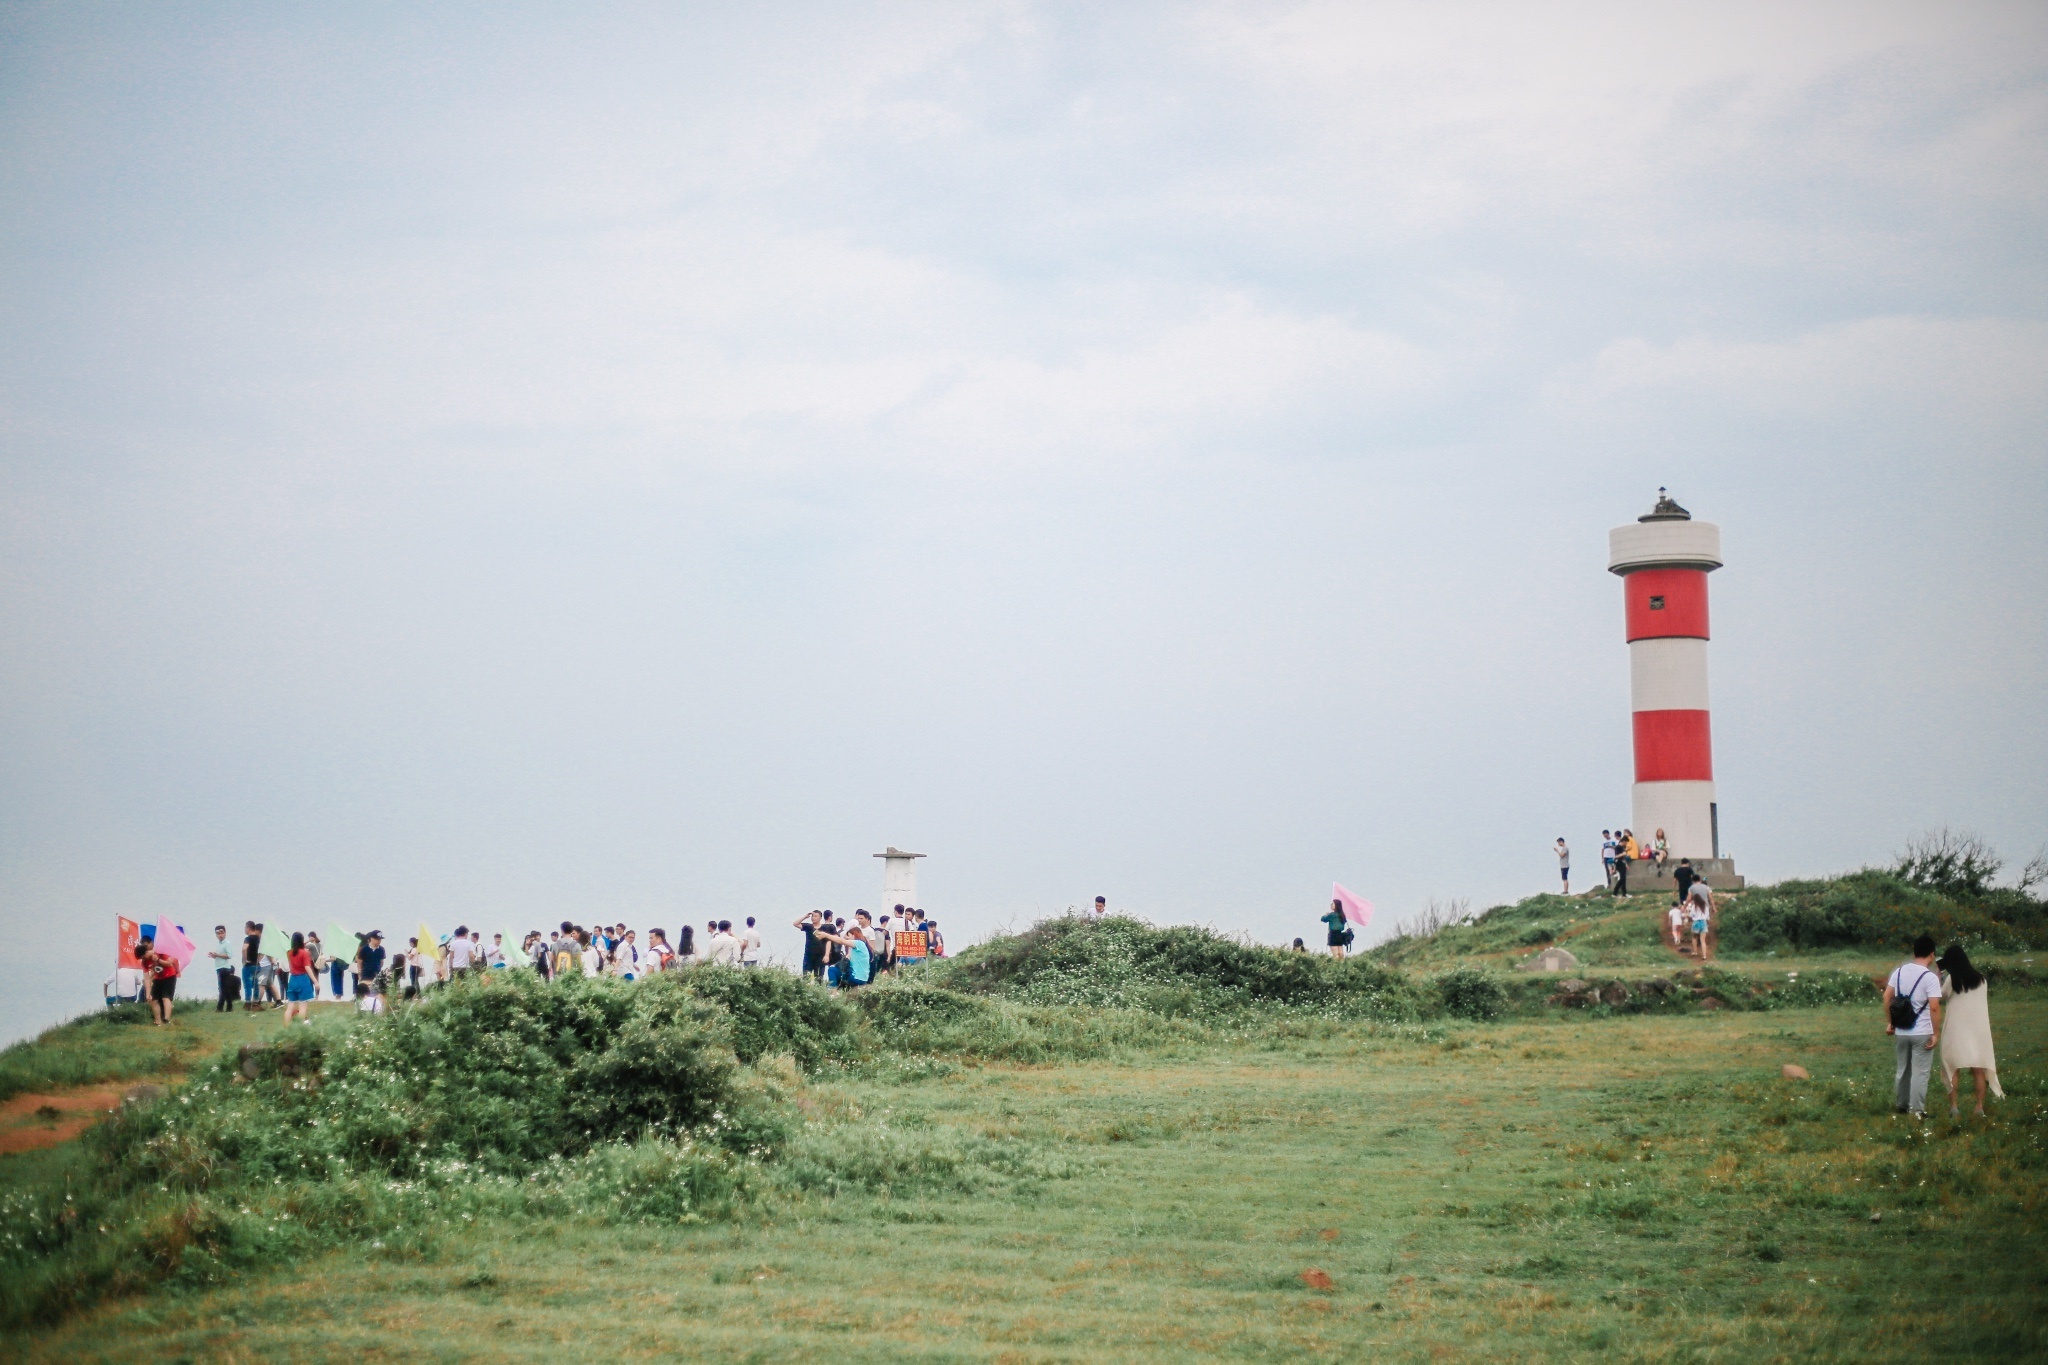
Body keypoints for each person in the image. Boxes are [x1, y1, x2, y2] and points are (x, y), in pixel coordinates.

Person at [1936, 945, 2001, 1119]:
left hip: (1956, 1030)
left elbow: (1940, 997)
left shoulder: (1952, 979)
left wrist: (1937, 977)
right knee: (1978, 1070)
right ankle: (1979, 1107)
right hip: (1978, 1031)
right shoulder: (1981, 980)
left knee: (1952, 1068)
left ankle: (1954, 1107)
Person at [1885, 935, 1943, 1118]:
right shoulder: (1930, 978)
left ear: (1914, 952)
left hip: (1901, 1030)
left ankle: (1901, 1105)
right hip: (1922, 1031)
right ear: (1932, 955)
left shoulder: (1900, 972)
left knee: (1903, 1069)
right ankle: (1916, 1110)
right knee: (1920, 1072)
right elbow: (1934, 1007)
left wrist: (1891, 1022)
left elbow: (1887, 997)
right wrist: (1936, 1033)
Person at [144, 940, 179, 1025]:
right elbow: (147, 977)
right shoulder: (145, 960)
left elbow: (170, 963)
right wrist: (148, 993)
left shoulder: (160, 951)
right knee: (154, 999)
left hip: (170, 975)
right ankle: (158, 1021)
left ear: (151, 943)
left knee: (166, 998)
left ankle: (166, 1020)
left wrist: (158, 960)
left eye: (147, 945)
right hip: (158, 978)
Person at [283, 932, 316, 1024]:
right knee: (302, 1007)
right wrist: (315, 981)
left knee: (290, 1007)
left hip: (292, 979)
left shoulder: (289, 953)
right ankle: (300, 1028)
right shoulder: (304, 953)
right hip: (302, 980)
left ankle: (286, 1028)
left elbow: (296, 949)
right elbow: (307, 968)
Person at [209, 925, 239, 1012]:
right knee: (225, 988)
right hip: (219, 967)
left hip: (224, 968)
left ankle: (220, 1007)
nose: (220, 935)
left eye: (221, 933)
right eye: (218, 933)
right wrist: (214, 955)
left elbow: (229, 956)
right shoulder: (218, 944)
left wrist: (217, 955)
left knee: (222, 989)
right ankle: (229, 1007)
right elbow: (219, 956)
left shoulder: (227, 943)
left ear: (225, 933)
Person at [355, 931, 387, 1002]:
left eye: (380, 939)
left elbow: (382, 962)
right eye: (377, 939)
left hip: (377, 974)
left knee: (375, 992)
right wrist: (359, 972)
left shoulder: (381, 949)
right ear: (372, 938)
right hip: (365, 973)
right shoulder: (364, 949)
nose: (379, 941)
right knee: (365, 992)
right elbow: (359, 962)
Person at [795, 912, 827, 981]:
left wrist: (827, 955)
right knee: (806, 977)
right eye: (812, 916)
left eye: (816, 916)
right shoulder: (808, 927)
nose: (813, 918)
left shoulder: (825, 928)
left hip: (820, 957)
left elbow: (828, 942)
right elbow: (795, 923)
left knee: (819, 978)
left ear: (820, 918)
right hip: (808, 956)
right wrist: (805, 916)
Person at [1686, 880, 1713, 961]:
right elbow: (1708, 916)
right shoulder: (1706, 906)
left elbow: (1691, 916)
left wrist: (1686, 915)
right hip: (1704, 923)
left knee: (1694, 937)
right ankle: (1704, 955)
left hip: (1696, 922)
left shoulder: (1694, 907)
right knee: (1703, 941)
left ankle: (1695, 951)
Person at [242, 921, 263, 1004]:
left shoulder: (248, 938)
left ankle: (248, 1001)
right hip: (257, 965)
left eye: (245, 928)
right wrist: (259, 959)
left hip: (249, 965)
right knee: (256, 984)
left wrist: (245, 959)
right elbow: (263, 951)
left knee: (247, 984)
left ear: (248, 928)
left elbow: (244, 949)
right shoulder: (259, 939)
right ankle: (255, 1001)